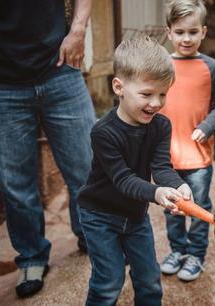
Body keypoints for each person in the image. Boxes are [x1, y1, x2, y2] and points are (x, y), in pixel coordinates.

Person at [0, 0, 96, 298]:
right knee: (15, 184)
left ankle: (91, 235)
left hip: (61, 68)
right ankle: (31, 257)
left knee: (88, 167)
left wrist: (79, 28)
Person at [77, 37, 192, 306]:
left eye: (163, 94)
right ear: (119, 87)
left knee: (149, 279)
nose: (156, 103)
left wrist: (177, 185)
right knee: (109, 280)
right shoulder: (103, 132)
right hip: (99, 215)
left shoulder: (161, 126)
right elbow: (123, 180)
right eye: (147, 94)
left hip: (135, 216)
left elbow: (162, 167)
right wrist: (157, 192)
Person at [159, 0, 215, 282]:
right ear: (169, 33)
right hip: (165, 158)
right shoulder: (161, 66)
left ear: (204, 32)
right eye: (179, 32)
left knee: (198, 208)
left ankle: (196, 256)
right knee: (173, 208)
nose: (185, 38)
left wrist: (208, 126)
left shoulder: (211, 67)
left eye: (192, 32)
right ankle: (177, 250)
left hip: (198, 158)